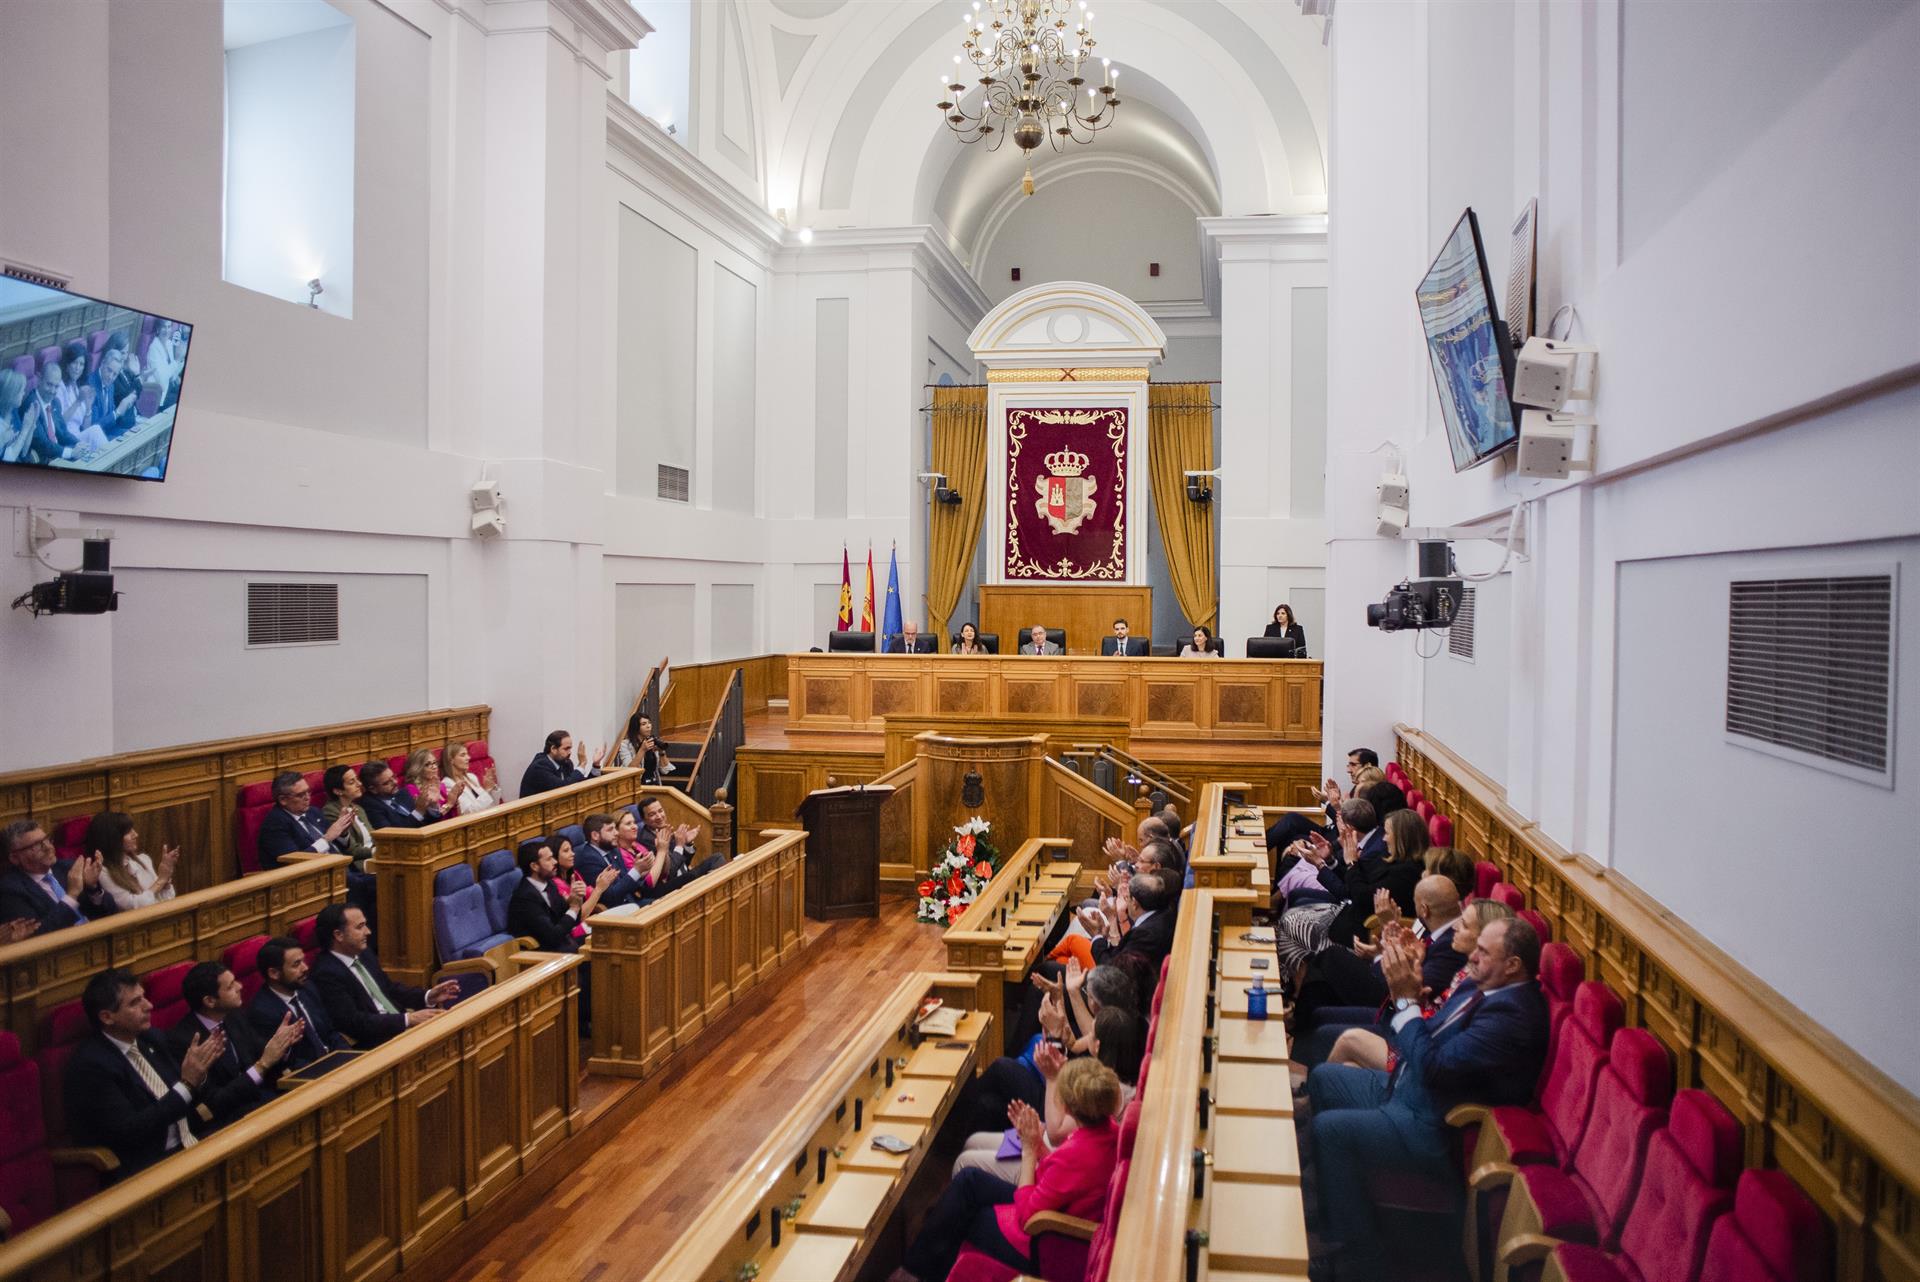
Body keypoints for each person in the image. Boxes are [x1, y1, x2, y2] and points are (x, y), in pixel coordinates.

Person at [1305, 917, 1550, 1278]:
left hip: (1432, 1124)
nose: (1474, 957)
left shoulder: (1514, 1016)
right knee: (1326, 1078)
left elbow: (1435, 1067)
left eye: (1484, 951)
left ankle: (1359, 1253)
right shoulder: (1479, 985)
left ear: (1513, 965)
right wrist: (1409, 996)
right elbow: (1416, 1035)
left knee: (1330, 1130)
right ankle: (1333, 1197)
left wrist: (1407, 1004)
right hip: (1406, 1087)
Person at [890, 1058, 1123, 1282]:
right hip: (1053, 1210)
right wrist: (1039, 1145)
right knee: (968, 1180)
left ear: (1069, 1107)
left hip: (1047, 1243)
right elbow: (1066, 1179)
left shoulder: (1076, 1154)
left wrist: (1030, 1150)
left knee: (962, 1217)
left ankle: (919, 1272)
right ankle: (917, 1268)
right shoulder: (1109, 1129)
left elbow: (1027, 1216)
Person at [63, 967, 266, 1175]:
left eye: (144, 998)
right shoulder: (92, 1066)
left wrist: (199, 1076)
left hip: (192, 1142)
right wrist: (188, 1084)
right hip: (148, 1165)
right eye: (135, 1003)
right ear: (107, 1017)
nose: (149, 1006)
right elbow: (131, 1132)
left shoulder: (152, 1038)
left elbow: (197, 1096)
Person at [1300, 899, 1513, 1072]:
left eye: (1464, 925)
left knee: (1338, 1038)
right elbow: (1426, 1009)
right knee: (1330, 1035)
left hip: (1413, 1047)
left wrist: (1406, 982)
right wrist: (1413, 967)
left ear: (1483, 938)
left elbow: (1435, 1028)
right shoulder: (1466, 970)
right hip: (1406, 1029)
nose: (1455, 926)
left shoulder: (1478, 984)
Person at [954, 1006, 1145, 1181]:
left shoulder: (1106, 1091)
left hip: (1055, 1157)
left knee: (964, 1161)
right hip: (1051, 1141)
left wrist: (1053, 1077)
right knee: (985, 1112)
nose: (1086, 1037)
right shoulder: (1118, 1079)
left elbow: (1057, 1132)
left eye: (1090, 1034)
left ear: (1098, 1045)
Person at [1294, 873, 1465, 1029]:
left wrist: (1381, 955)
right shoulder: (1440, 929)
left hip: (1392, 1004)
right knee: (1319, 997)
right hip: (1390, 986)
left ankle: (1294, 1019)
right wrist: (1390, 948)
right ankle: (1295, 1020)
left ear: (1424, 910)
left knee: (1330, 955)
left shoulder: (1451, 945)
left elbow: (1409, 987)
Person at [164, 962, 303, 1121]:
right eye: (230, 986)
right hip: (226, 1119)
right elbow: (213, 1102)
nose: (240, 986)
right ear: (210, 1001)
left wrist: (283, 1045)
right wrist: (262, 1065)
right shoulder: (185, 1042)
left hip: (260, 1100)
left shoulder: (233, 1016)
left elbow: (264, 1051)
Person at [308, 903, 458, 1047]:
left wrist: (428, 995)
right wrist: (407, 1019)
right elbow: (354, 1022)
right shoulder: (325, 974)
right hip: (377, 1042)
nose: (368, 931)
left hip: (398, 1027)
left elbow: (389, 989)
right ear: (338, 935)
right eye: (360, 927)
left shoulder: (364, 954)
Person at [247, 936, 352, 1072]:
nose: (305, 968)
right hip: (308, 1077)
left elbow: (330, 1033)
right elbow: (285, 1063)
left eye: (303, 961)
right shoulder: (262, 1012)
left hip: (334, 1064)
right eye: (296, 964)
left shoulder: (307, 988)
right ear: (274, 973)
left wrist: (350, 1059)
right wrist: (328, 1072)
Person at [0, 818, 119, 932]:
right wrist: (71, 895)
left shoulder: (68, 867)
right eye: (36, 845)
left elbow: (111, 912)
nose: (48, 847)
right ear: (15, 858)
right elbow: (38, 936)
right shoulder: (10, 890)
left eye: (47, 839)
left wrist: (93, 889)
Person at [507, 837, 619, 952]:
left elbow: (572, 918)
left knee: (613, 936)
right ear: (534, 866)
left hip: (565, 942)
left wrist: (576, 900)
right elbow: (552, 936)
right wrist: (574, 908)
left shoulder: (549, 884)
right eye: (549, 859)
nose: (555, 862)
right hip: (545, 953)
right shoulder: (525, 898)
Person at [257, 771, 357, 868]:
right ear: (283, 800)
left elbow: (339, 845)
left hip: (344, 867)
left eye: (308, 792)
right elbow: (294, 863)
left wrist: (342, 832)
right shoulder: (275, 825)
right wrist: (326, 839)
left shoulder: (312, 812)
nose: (307, 797)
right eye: (301, 795)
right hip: (317, 877)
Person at [633, 798, 726, 898]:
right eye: (652, 814)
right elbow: (669, 873)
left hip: (683, 875)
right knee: (716, 859)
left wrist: (687, 843)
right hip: (667, 886)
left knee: (717, 862)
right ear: (644, 820)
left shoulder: (663, 830)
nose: (659, 816)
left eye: (660, 811)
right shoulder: (647, 840)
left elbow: (684, 862)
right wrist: (679, 845)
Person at [86, 811, 179, 911]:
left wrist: (166, 883)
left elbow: (168, 899)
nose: (136, 834)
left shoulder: (143, 860)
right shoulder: (103, 872)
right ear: (112, 838)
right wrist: (161, 880)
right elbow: (133, 907)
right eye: (128, 832)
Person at [56, 341, 110, 458]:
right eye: (75, 363)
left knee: (95, 432)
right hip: (66, 440)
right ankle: (111, 459)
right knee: (95, 431)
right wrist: (78, 401)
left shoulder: (76, 386)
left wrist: (88, 406)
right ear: (67, 364)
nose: (77, 368)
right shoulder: (60, 386)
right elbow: (59, 423)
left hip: (78, 438)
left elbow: (85, 427)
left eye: (81, 364)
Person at [319, 765, 377, 870]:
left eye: (357, 779)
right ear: (338, 791)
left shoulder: (357, 807)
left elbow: (373, 837)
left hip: (375, 857)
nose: (359, 784)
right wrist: (378, 852)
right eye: (351, 782)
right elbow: (351, 851)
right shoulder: (330, 812)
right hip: (359, 864)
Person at [519, 730, 602, 797]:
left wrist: (596, 764)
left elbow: (580, 784)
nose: (570, 752)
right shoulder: (540, 766)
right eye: (566, 749)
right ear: (553, 749)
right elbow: (562, 788)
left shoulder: (566, 764)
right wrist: (582, 764)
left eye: (570, 748)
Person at [90, 333, 142, 439]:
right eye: (109, 370)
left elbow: (111, 422)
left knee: (136, 436)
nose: (111, 377)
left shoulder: (110, 384)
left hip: (111, 431)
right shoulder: (91, 385)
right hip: (95, 436)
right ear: (103, 363)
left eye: (115, 374)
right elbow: (94, 427)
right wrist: (117, 412)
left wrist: (127, 433)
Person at [359, 760, 425, 830]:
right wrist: (419, 811)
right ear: (373, 789)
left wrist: (432, 806)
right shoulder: (371, 807)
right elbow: (393, 836)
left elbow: (426, 821)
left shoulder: (402, 792)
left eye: (394, 777)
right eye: (387, 783)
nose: (395, 782)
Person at [614, 714, 675, 785]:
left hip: (654, 784)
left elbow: (665, 770)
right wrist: (642, 750)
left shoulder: (652, 741)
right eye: (644, 724)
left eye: (649, 723)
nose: (648, 726)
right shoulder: (625, 745)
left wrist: (662, 752)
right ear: (636, 727)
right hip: (636, 785)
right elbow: (630, 770)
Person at [441, 742, 499, 815]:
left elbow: (494, 804)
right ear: (451, 760)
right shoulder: (447, 783)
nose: (468, 758)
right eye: (463, 755)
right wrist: (487, 790)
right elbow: (467, 812)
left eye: (467, 754)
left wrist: (492, 787)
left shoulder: (471, 777)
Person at [403, 749, 452, 819]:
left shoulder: (441, 785)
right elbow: (428, 819)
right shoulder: (412, 789)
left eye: (435, 763)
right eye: (428, 764)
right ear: (418, 768)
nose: (434, 767)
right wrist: (449, 804)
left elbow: (453, 815)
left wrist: (455, 803)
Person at [0, 368, 34, 464]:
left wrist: (31, 424)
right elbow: (9, 459)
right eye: (21, 391)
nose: (24, 394)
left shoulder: (13, 412)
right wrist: (25, 429)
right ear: (11, 394)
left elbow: (23, 451)